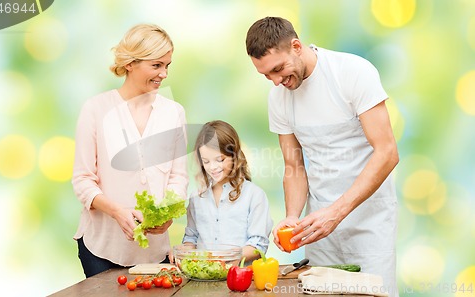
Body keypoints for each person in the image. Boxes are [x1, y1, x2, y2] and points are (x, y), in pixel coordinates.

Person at [246, 17, 399, 296]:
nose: (276, 81)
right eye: (267, 75)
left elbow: (387, 152)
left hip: (369, 223)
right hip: (318, 230)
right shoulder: (278, 97)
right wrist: (293, 217)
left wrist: (336, 212)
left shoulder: (352, 72)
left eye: (278, 69)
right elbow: (294, 166)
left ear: (296, 46)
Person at [72, 24, 188, 278]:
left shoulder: (173, 112)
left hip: (155, 250)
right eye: (156, 65)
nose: (164, 73)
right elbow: (82, 180)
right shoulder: (96, 109)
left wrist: (167, 215)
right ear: (130, 63)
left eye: (167, 65)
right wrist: (116, 212)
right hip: (101, 248)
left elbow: (179, 177)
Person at [182, 120, 273, 263]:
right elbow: (191, 238)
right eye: (206, 161)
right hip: (203, 277)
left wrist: (227, 258)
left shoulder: (254, 195)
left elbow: (258, 244)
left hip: (240, 277)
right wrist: (183, 251)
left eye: (219, 159)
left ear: (234, 155)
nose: (212, 167)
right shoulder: (196, 197)